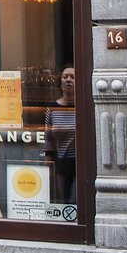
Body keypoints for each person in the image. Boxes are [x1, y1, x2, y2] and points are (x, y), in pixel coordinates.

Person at [44, 65, 77, 204]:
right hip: (60, 163)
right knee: (62, 201)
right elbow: (48, 137)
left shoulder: (82, 106)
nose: (68, 80)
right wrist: (48, 160)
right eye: (65, 77)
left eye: (73, 77)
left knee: (75, 200)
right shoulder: (52, 108)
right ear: (60, 82)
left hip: (79, 163)